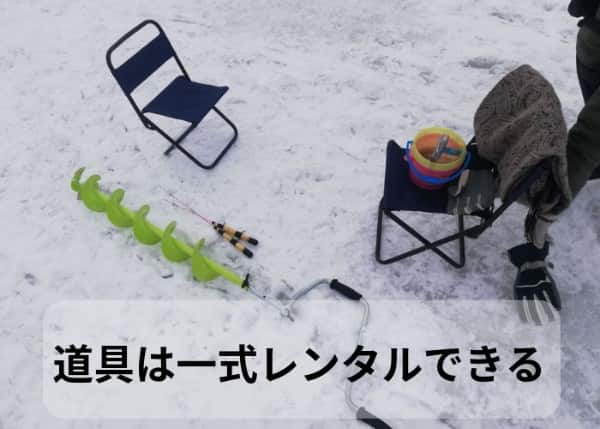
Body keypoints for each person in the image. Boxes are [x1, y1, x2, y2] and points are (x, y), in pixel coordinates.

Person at [509, 1, 600, 323]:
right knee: (589, 143)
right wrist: (534, 248)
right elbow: (585, 142)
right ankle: (545, 208)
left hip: (592, 38)